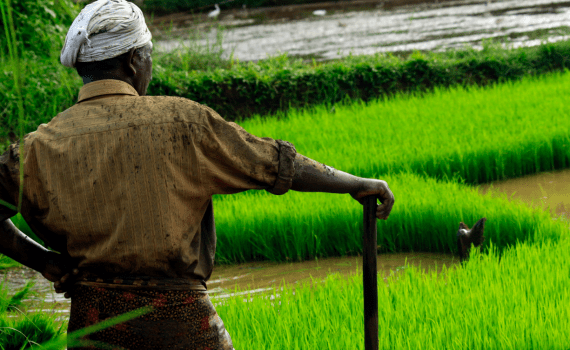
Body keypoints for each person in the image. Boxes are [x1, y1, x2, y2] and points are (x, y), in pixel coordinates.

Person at [0, 0, 395, 349]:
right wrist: (357, 184)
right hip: (180, 323)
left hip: (92, 327)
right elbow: (273, 163)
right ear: (135, 60)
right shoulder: (181, 121)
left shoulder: (37, 148)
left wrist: (43, 262)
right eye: (148, 55)